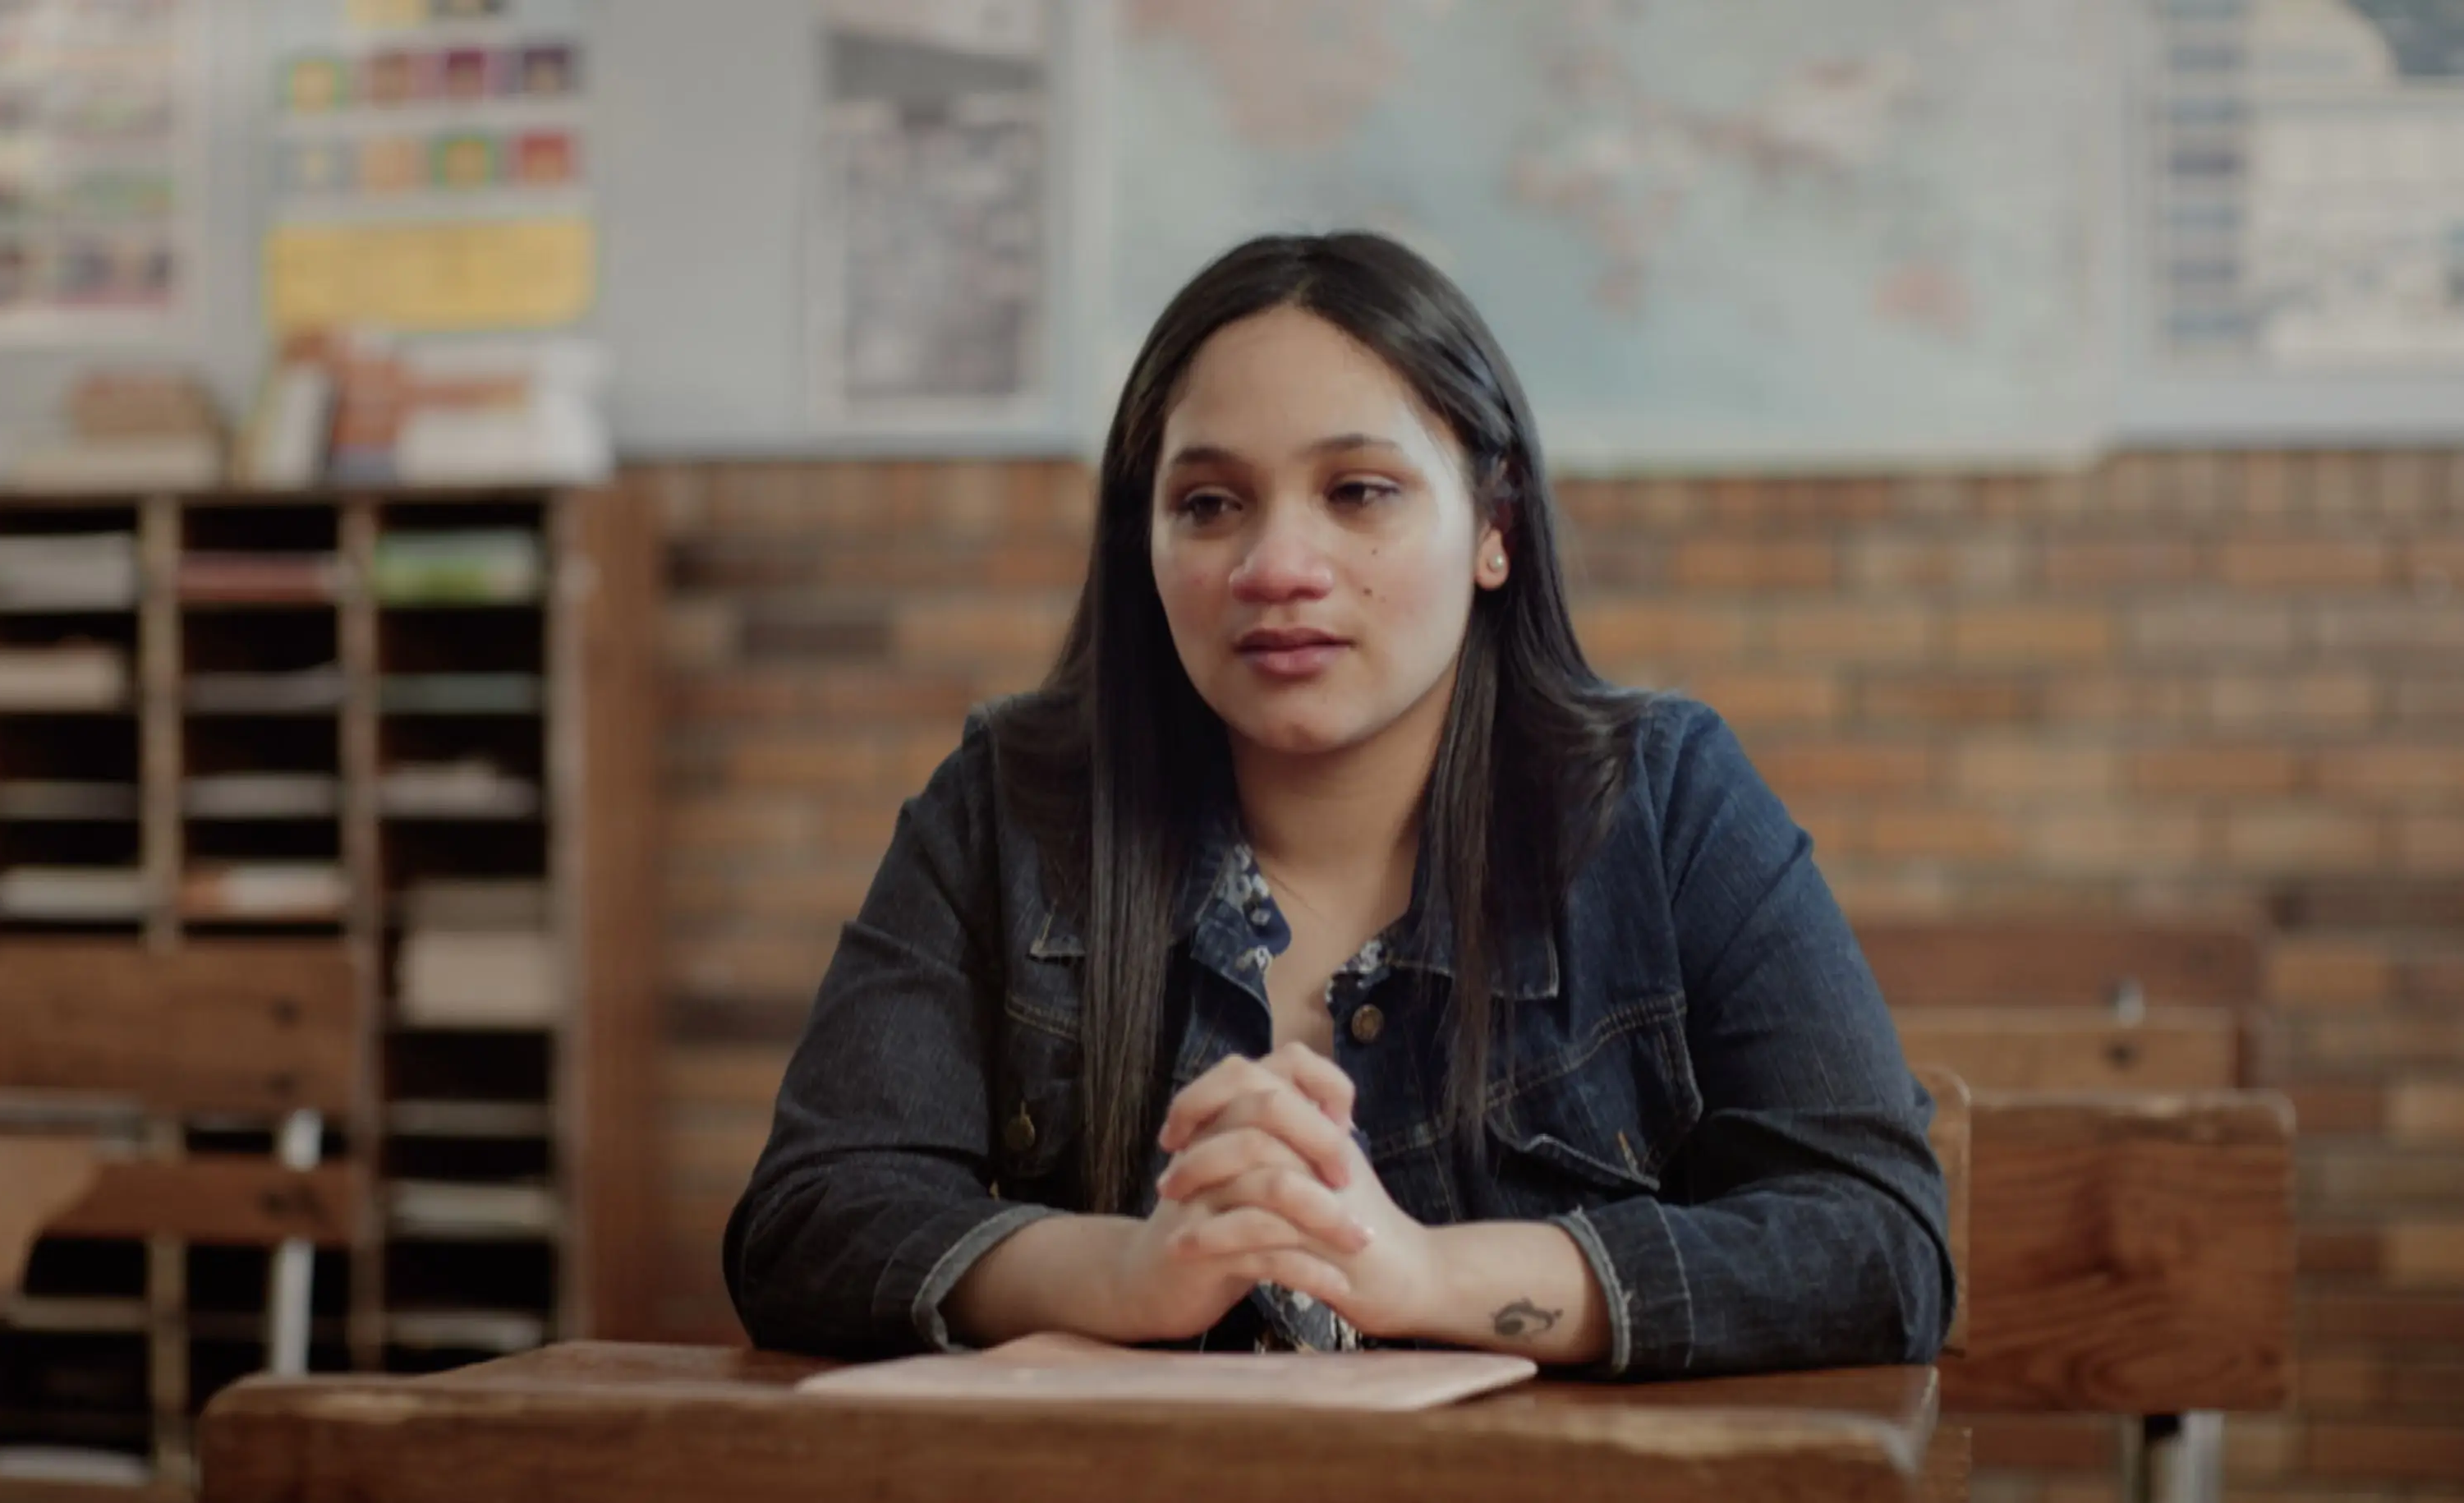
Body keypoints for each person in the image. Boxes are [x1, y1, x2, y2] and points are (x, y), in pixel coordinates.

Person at [724, 232, 1953, 1376]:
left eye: (1358, 490)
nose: (1276, 567)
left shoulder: (1665, 802)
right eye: (1208, 504)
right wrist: (1126, 1271)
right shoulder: (1007, 805)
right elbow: (810, 1222)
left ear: (1493, 525)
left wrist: (1419, 1271)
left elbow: (1878, 1246)